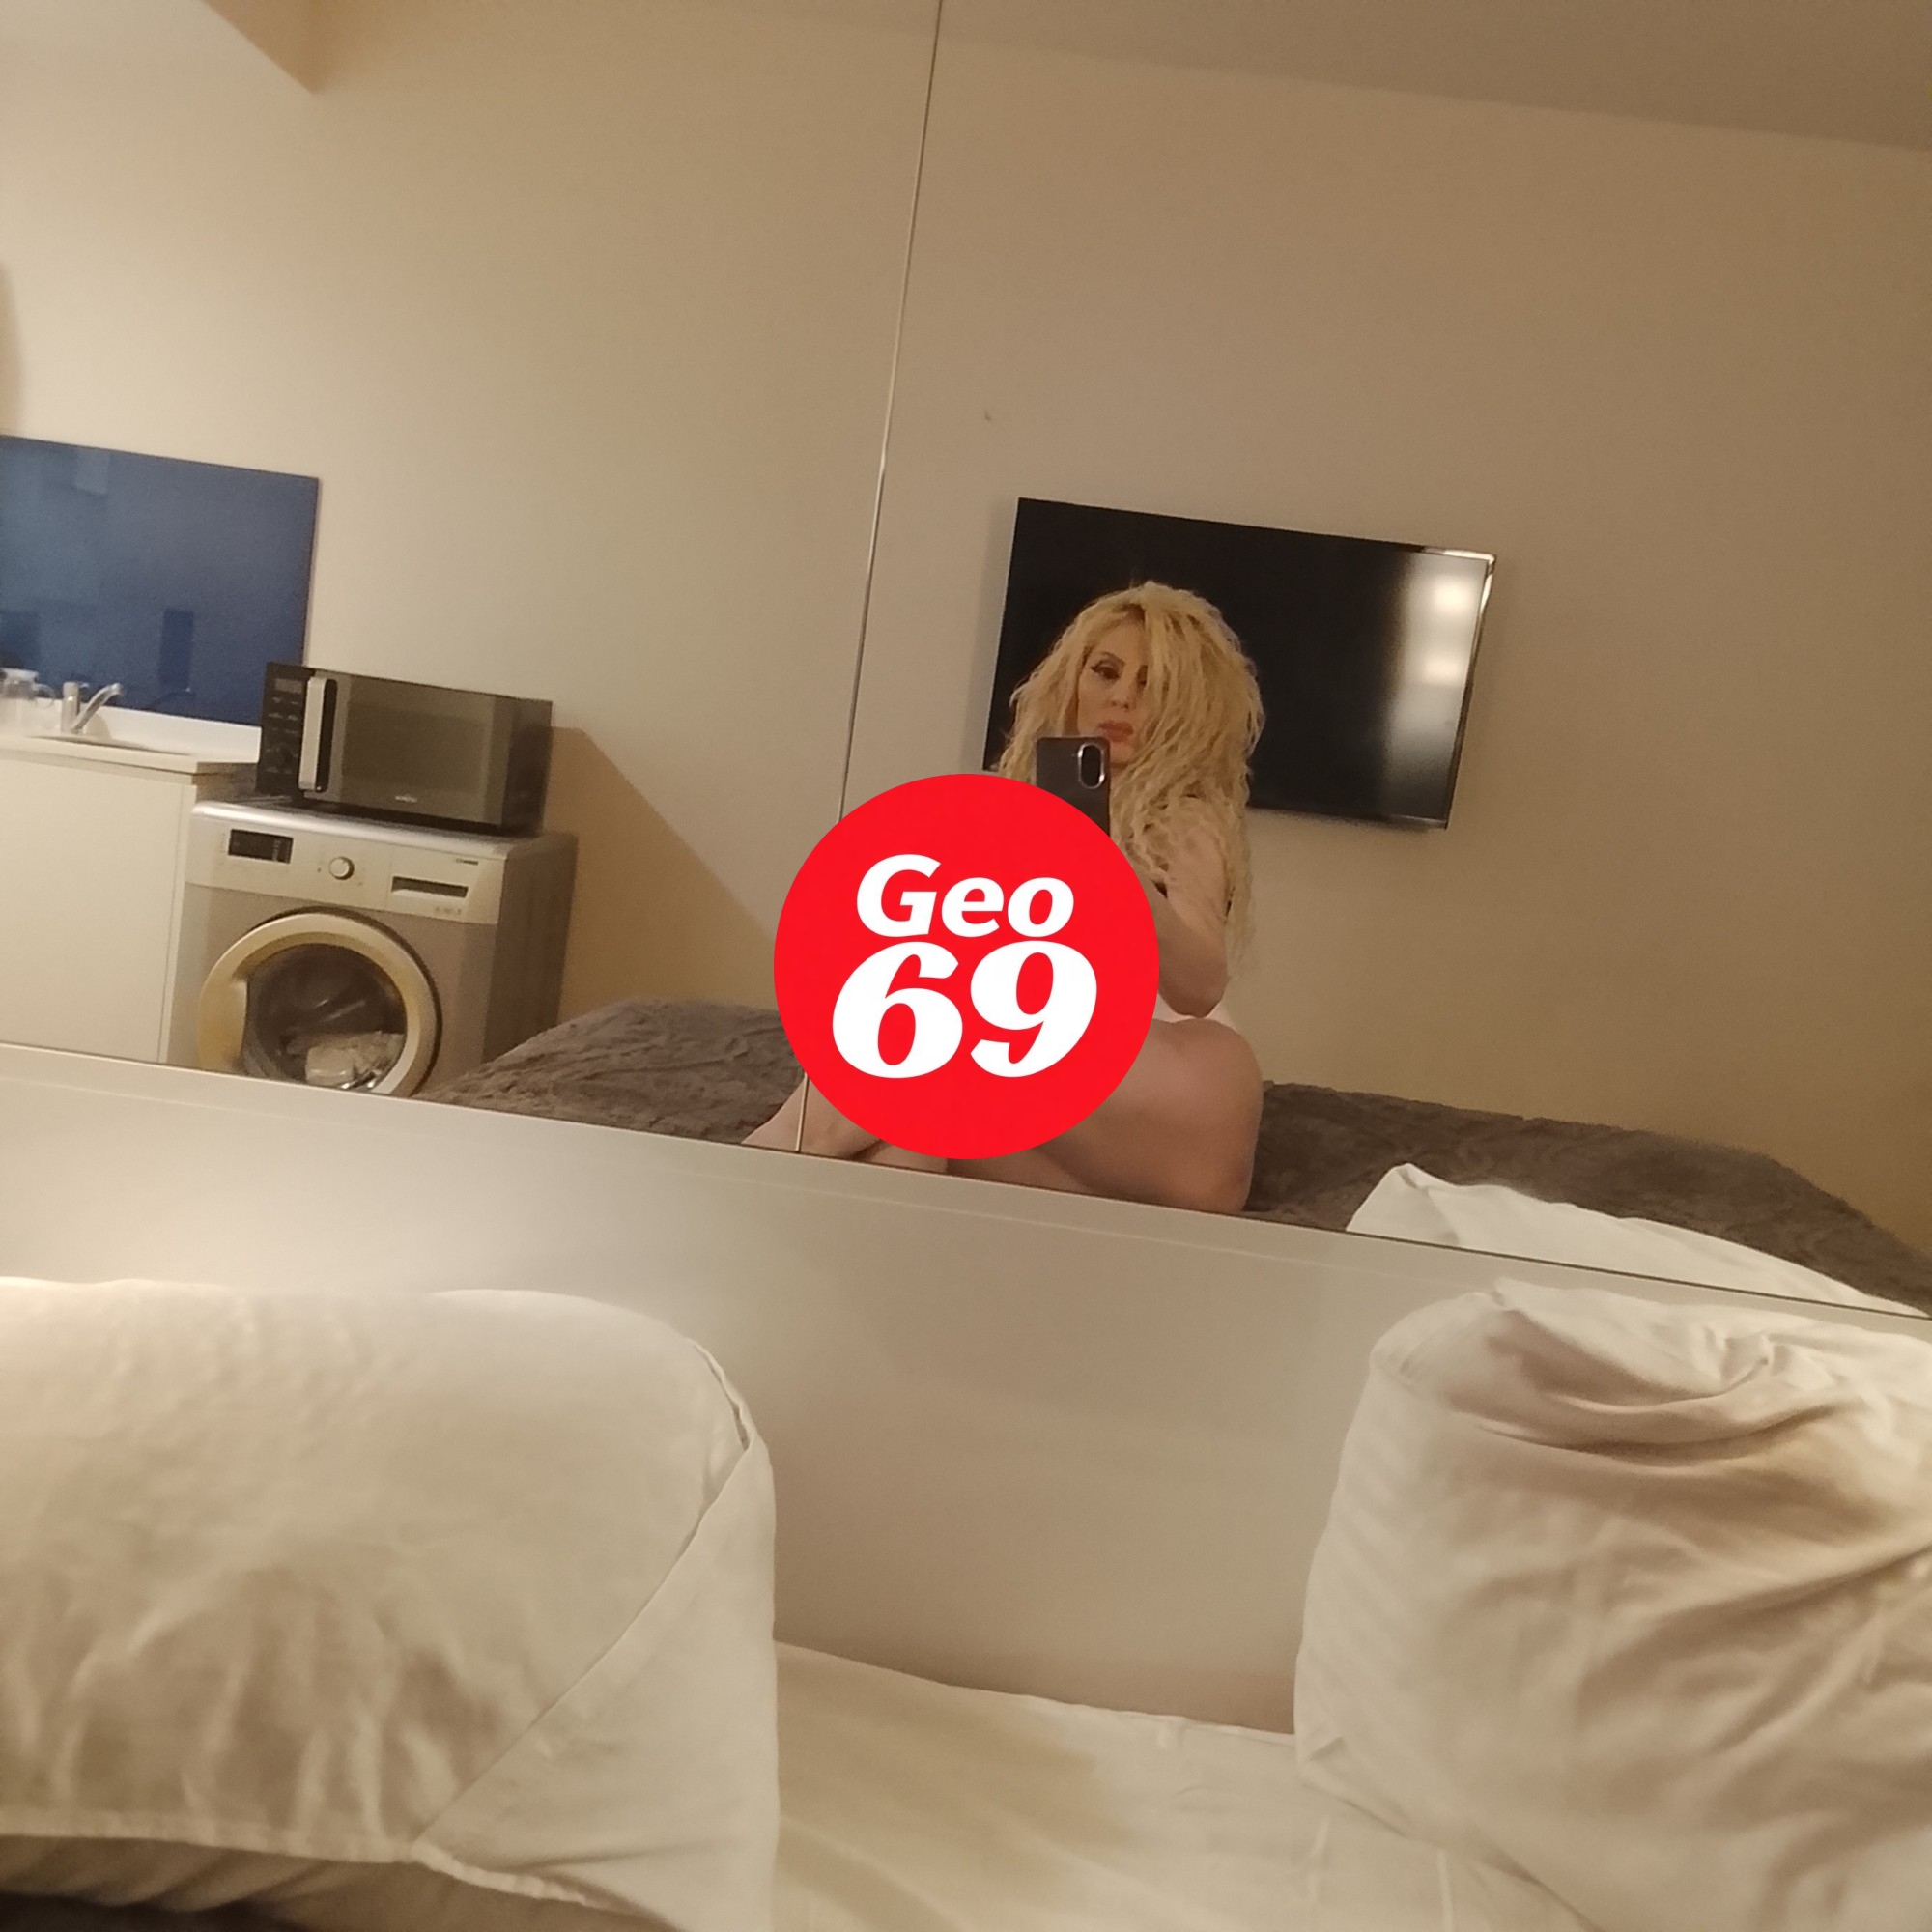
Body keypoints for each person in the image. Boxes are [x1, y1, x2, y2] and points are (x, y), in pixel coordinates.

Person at [747, 582, 1265, 1214]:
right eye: (1105, 672)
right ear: (1072, 681)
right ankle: (824, 1227)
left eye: (1153, 684)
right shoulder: (1016, 811)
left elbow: (1199, 985)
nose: (1123, 697)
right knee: (910, 1137)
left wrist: (1112, 870)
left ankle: (767, 1156)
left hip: (1176, 1089)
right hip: (1054, 1106)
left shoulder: (1183, 820)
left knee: (930, 1036)